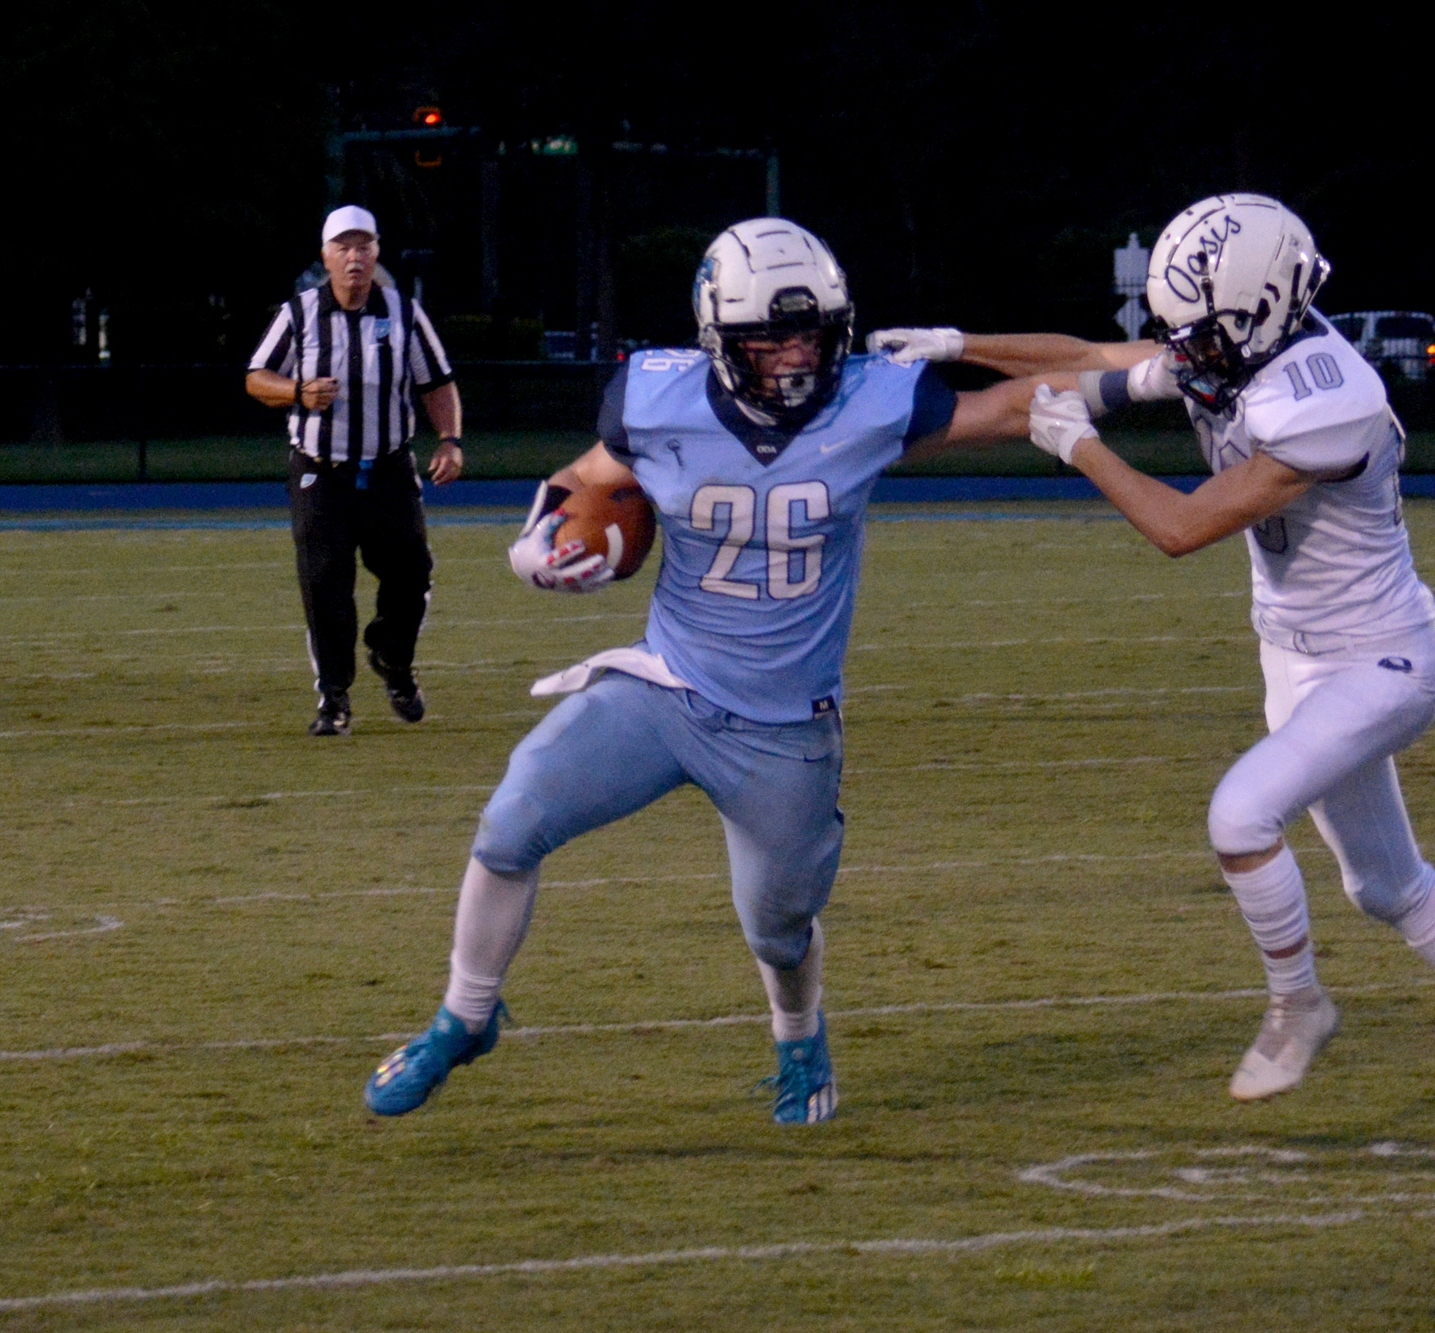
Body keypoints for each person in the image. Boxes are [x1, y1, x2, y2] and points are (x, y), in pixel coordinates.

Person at [872, 194, 1435, 1127]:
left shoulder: (1327, 398)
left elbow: (1180, 527)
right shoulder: (1239, 342)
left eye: (1201, 333)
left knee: (1242, 817)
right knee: (1384, 883)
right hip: (1295, 658)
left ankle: (1301, 1004)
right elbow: (1089, 360)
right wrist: (951, 346)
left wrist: (1082, 448)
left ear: (1262, 309)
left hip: (1382, 661)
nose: (1185, 352)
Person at [363, 218, 1056, 1124]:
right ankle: (464, 1015)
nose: (796, 356)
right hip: (666, 685)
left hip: (785, 727)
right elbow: (584, 477)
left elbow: (1017, 406)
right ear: (722, 339)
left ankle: (798, 1034)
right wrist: (538, 537)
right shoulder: (657, 397)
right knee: (510, 819)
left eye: (810, 333)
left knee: (778, 924)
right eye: (771, 337)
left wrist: (1154, 373)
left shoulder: (873, 401)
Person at [246, 205, 465, 736]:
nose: (354, 257)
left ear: (376, 253)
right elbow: (256, 377)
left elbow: (437, 382)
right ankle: (334, 698)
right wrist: (297, 391)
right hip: (321, 471)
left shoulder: (404, 313)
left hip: (389, 468)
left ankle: (392, 659)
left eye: (363, 245)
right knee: (325, 584)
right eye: (343, 247)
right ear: (326, 256)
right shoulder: (298, 314)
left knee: (411, 575)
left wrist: (451, 441)